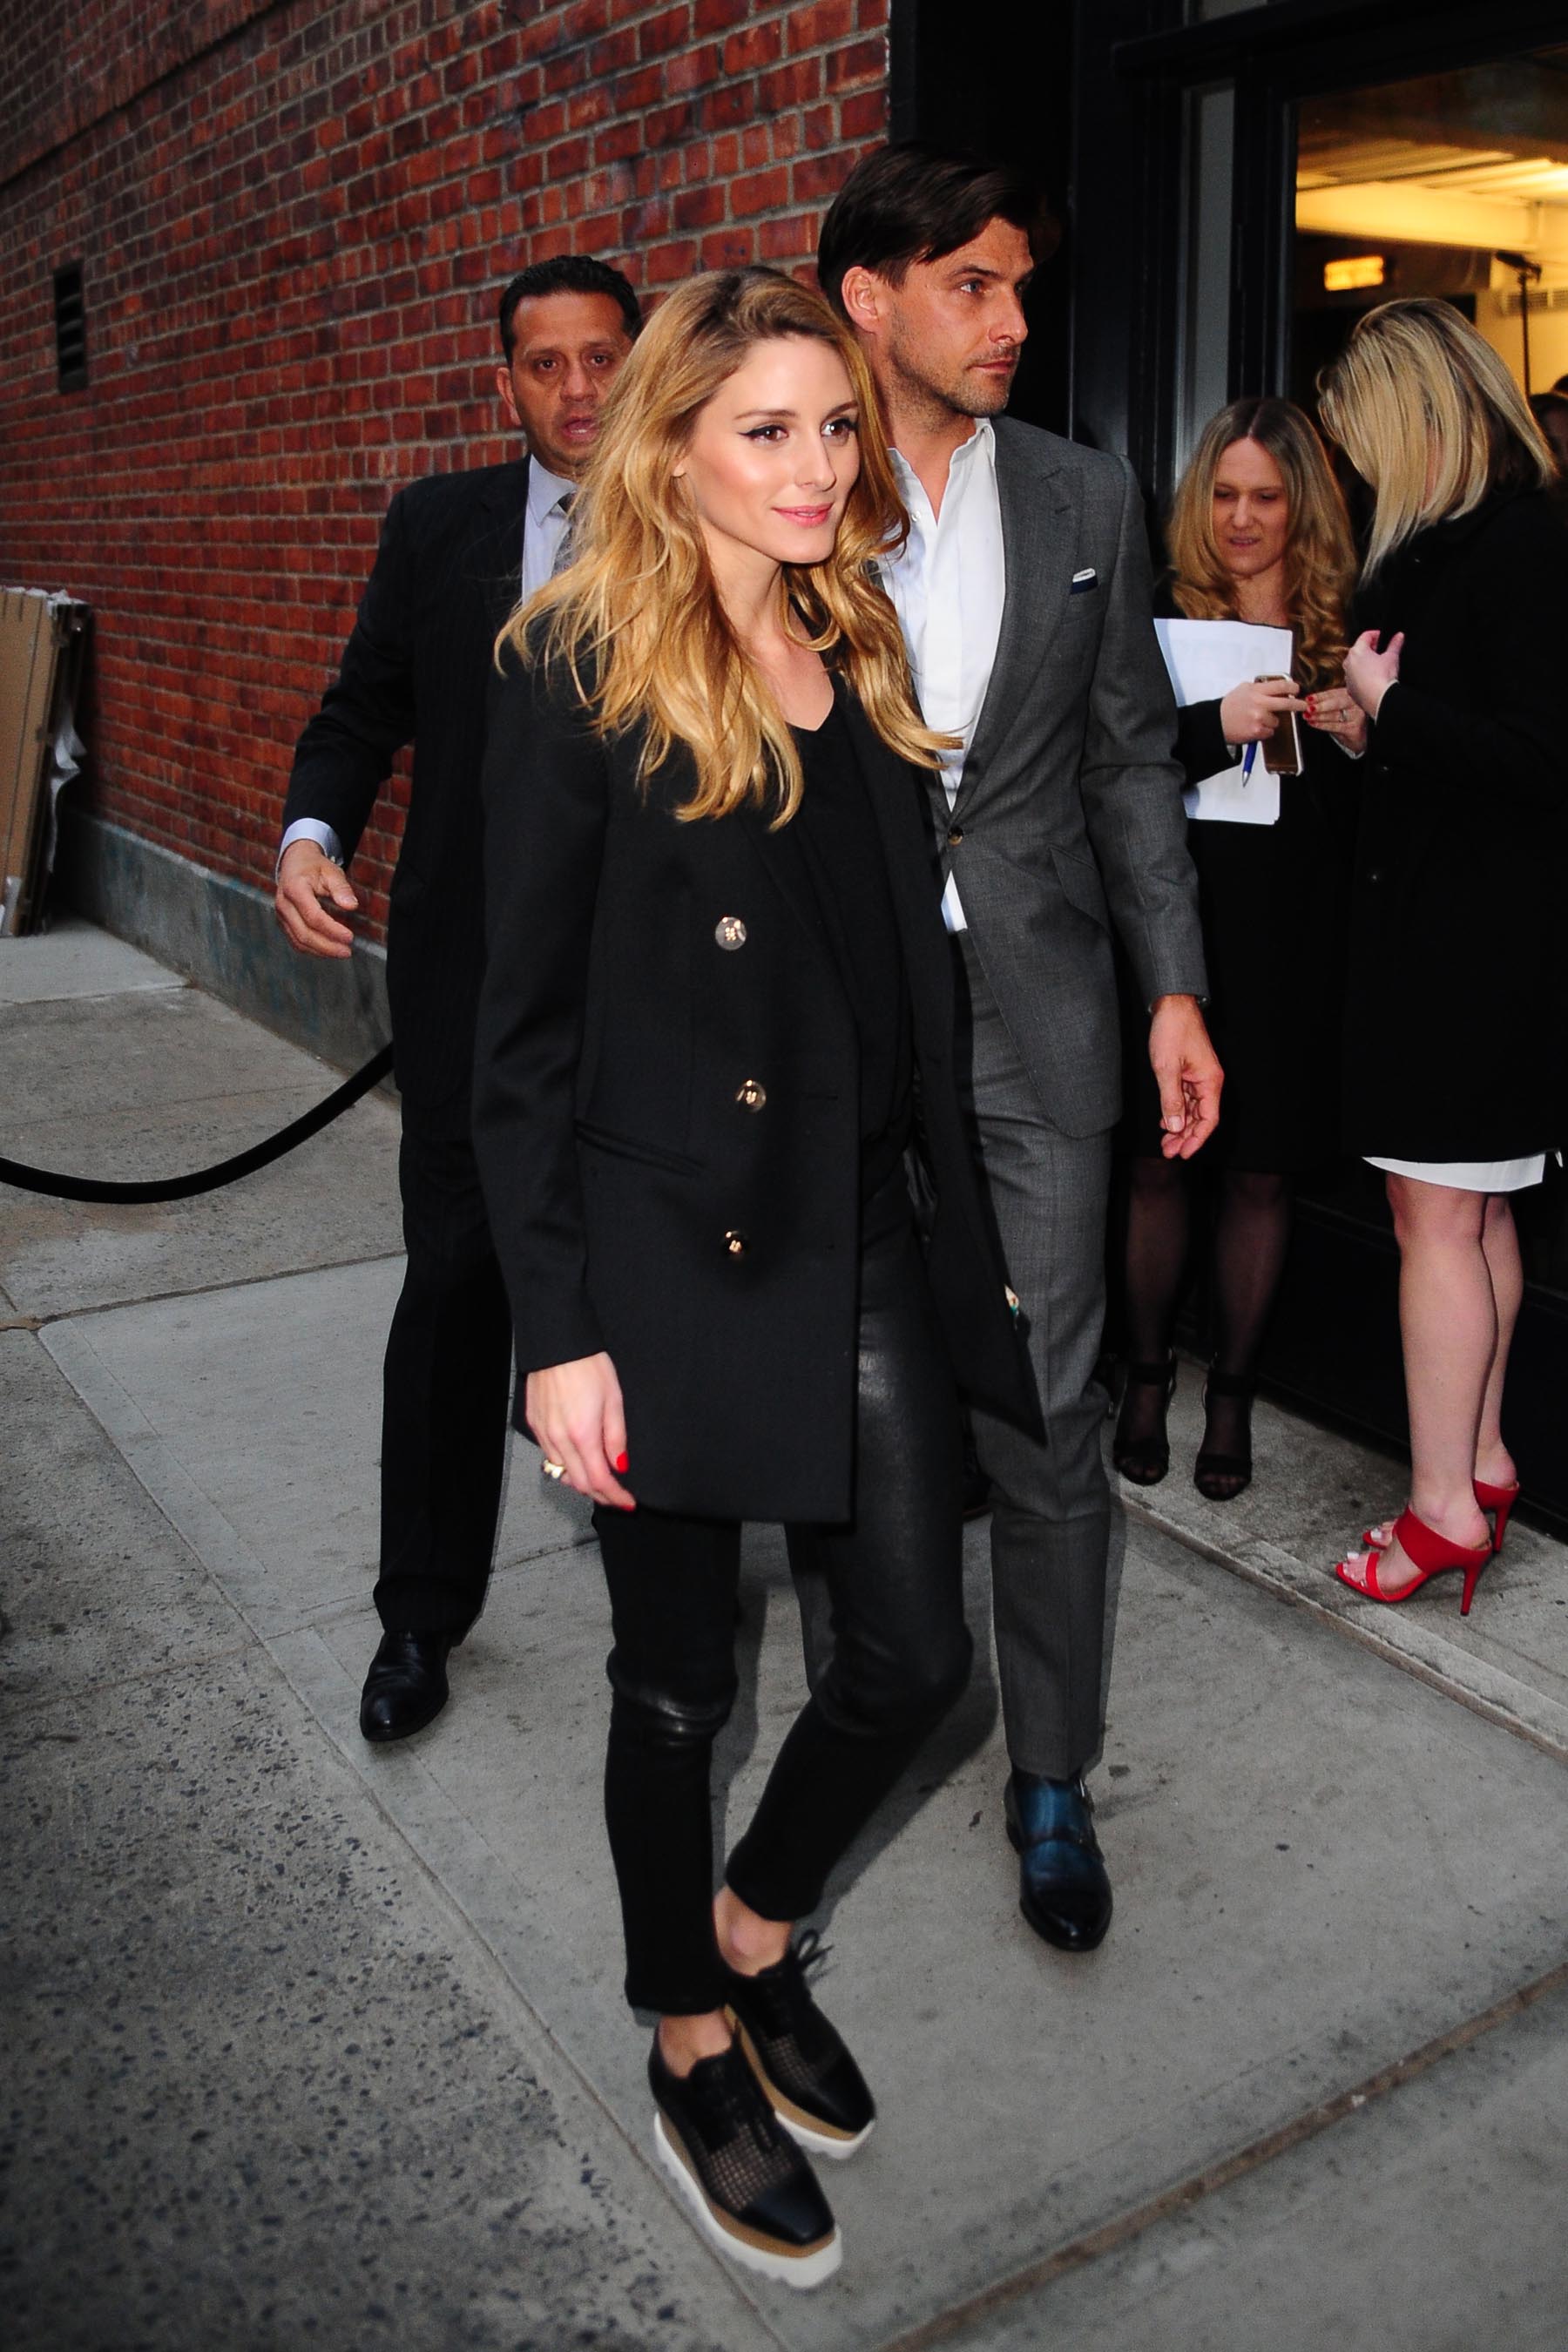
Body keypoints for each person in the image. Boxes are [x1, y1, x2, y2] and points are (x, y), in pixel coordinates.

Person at [472, 267, 1034, 2288]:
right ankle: (688, 2026)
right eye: (767, 430)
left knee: (910, 1655)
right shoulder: (577, 670)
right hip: (670, 1246)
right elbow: (513, 1038)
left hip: (865, 1217)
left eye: (830, 426)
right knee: (679, 1678)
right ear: (675, 445)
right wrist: (558, 1330)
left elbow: (899, 959)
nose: (814, 466)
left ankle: (750, 1924)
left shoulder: (851, 626)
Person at [819, 145, 1219, 1957]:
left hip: (1045, 1013)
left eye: (1020, 286)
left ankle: (1052, 1772)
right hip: (835, 1021)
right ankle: (862, 1738)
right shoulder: (780, 487)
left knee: (1051, 1406)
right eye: (973, 284)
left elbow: (1133, 751)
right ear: (869, 299)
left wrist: (1173, 987)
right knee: (846, 1395)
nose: (1014, 319)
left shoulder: (1085, 494)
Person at [274, 257, 641, 1742]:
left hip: (651, 1007)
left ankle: (662, 1625)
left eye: (600, 356)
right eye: (541, 363)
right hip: (472, 998)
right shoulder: (438, 528)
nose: (574, 388)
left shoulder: (716, 520)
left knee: (640, 1304)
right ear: (505, 382)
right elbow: (362, 705)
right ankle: (419, 1618)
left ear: (640, 360)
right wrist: (312, 832)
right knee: (454, 1297)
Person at [1318, 298, 1568, 1611]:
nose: (1355, 461)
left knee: (1440, 1220)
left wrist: (1389, 707)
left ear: (1418, 415)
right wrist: (1379, 732)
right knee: (1466, 1213)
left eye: (1363, 431)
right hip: (1446, 936)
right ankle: (1476, 1461)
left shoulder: (1523, 546)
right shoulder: (1459, 549)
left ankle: (1439, 1513)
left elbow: (1542, 758)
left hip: (1477, 950)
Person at [1113, 398, 1361, 1500]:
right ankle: (1149, 1375)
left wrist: (1360, 735)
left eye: (1267, 497)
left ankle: (1233, 1396)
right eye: (1224, 495)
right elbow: (1109, 765)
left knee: (1263, 1175)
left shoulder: (1347, 627)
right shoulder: (1155, 616)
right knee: (1160, 1165)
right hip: (1178, 925)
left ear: (1303, 507)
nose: (1243, 519)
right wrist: (1217, 723)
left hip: (1292, 935)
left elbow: (1376, 823)